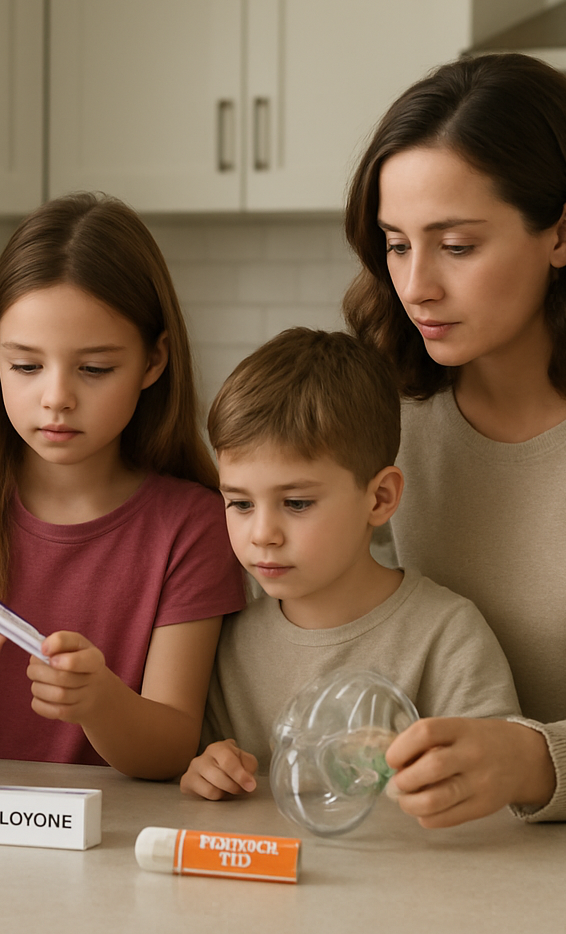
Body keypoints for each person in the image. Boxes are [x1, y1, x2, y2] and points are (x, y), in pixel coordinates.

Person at [0, 192, 246, 779]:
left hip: (114, 850)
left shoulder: (194, 526)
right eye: (25, 365)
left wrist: (101, 703)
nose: (56, 398)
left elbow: (172, 744)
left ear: (154, 362)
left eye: (95, 369)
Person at [343, 52, 566, 825]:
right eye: (396, 244)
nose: (417, 283)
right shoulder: (379, 419)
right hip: (423, 863)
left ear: (563, 234)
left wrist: (533, 759)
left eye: (456, 246)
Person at [180, 327, 518, 800]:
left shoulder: (447, 636)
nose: (262, 534)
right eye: (239, 503)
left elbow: (497, 785)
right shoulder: (226, 639)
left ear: (379, 498)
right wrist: (206, 771)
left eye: (296, 503)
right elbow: (205, 766)